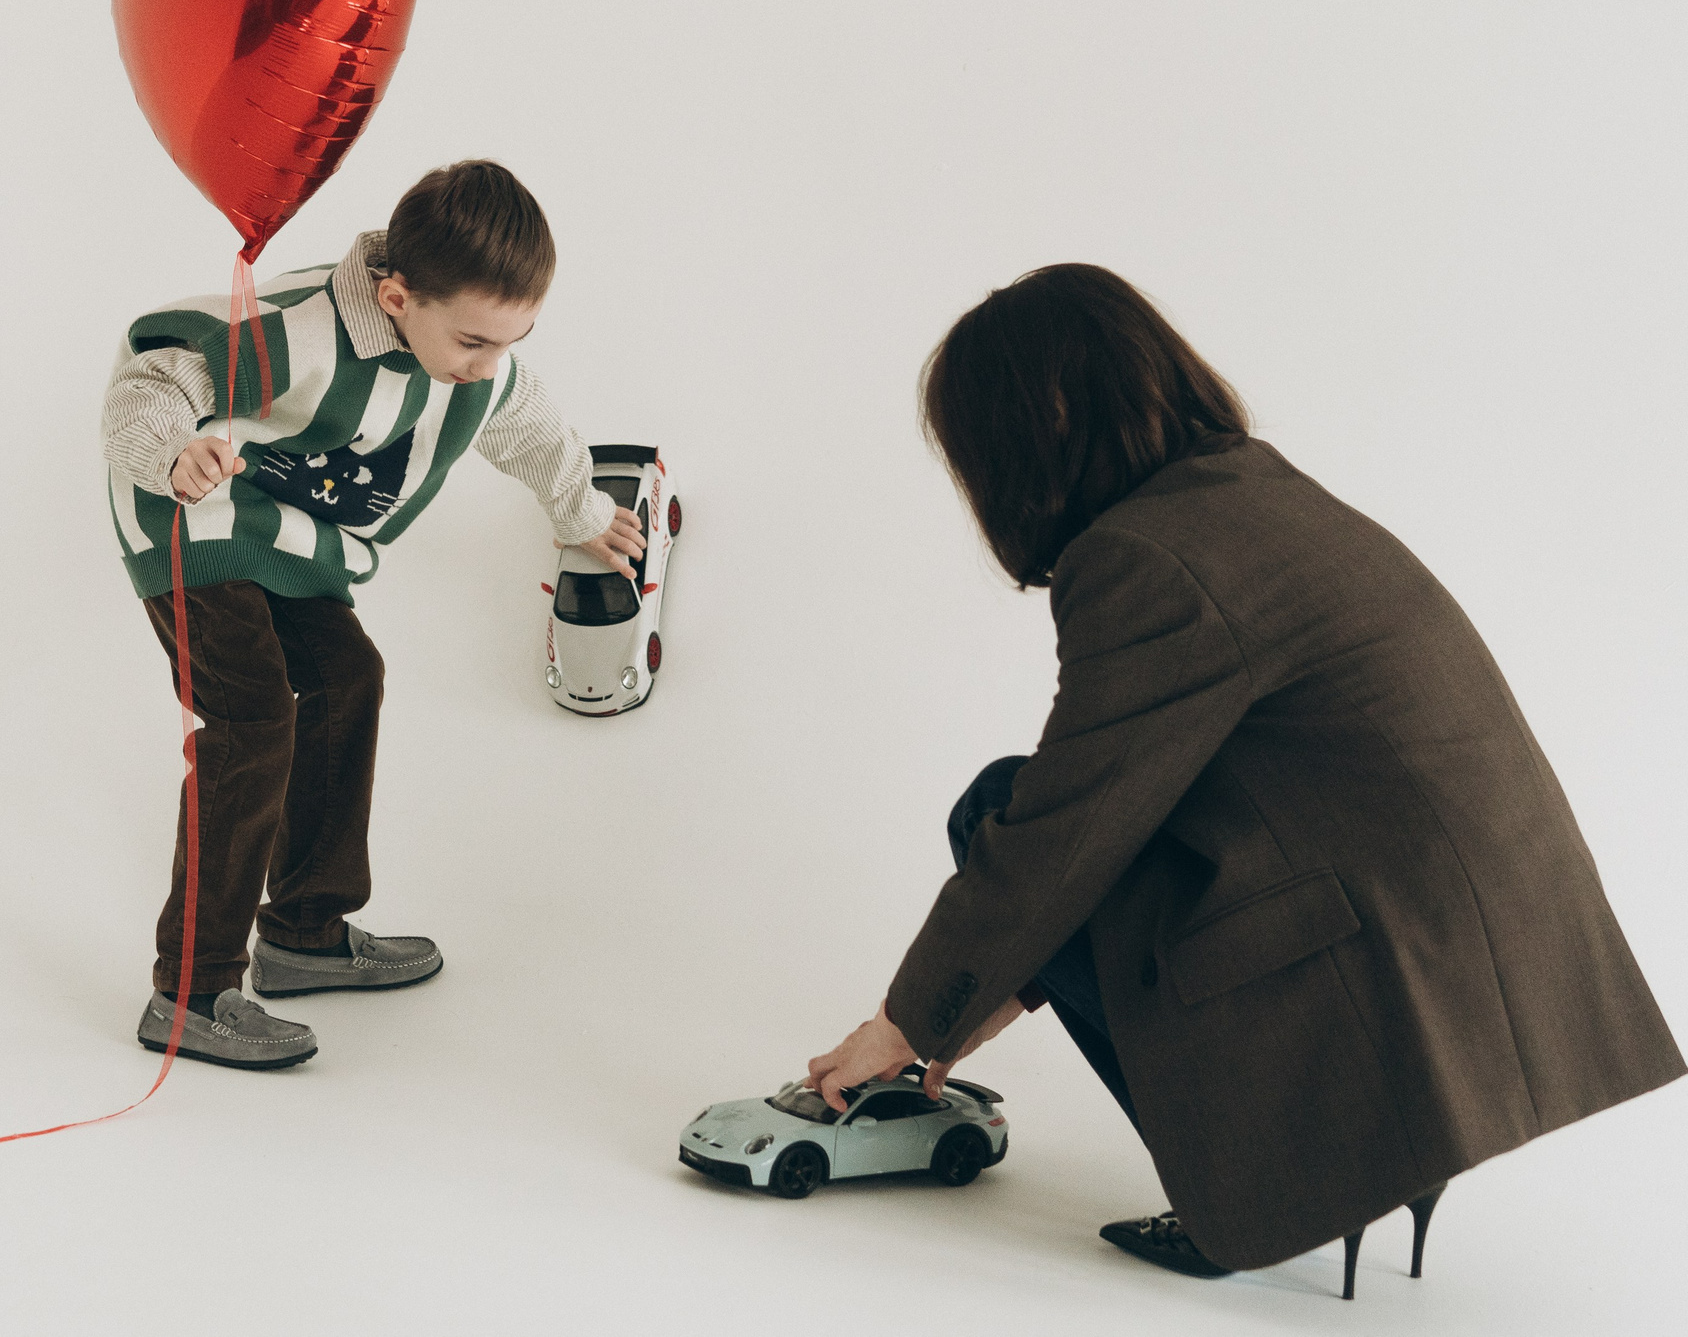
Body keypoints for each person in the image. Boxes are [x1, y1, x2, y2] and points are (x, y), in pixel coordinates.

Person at [807, 264, 1680, 1288]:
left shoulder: (1141, 558)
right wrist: (1015, 974)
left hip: (1395, 966)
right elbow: (1152, 791)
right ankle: (1352, 1162)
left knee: (998, 809)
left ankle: (1274, 1180)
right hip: (1492, 963)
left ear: (1019, 439)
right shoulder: (1254, 492)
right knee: (1026, 812)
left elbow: (1066, 825)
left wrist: (906, 1020)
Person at [98, 160, 639, 1069]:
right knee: (253, 716)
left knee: (350, 677)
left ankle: (304, 932)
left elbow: (534, 433)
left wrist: (581, 516)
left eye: (512, 340)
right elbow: (151, 385)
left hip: (289, 535)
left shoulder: (477, 366)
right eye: (473, 342)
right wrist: (172, 451)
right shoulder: (300, 333)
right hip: (189, 518)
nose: (488, 366)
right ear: (395, 296)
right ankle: (189, 991)